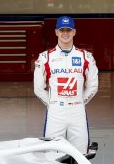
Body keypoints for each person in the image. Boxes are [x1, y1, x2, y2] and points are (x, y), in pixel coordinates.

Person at [34, 15, 99, 153]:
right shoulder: (45, 58)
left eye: (68, 30)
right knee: (52, 155)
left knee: (80, 154)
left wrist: (79, 101)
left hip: (77, 111)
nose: (65, 33)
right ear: (56, 32)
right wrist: (52, 103)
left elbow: (93, 86)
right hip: (55, 112)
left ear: (74, 32)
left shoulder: (86, 57)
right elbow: (38, 88)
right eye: (62, 30)